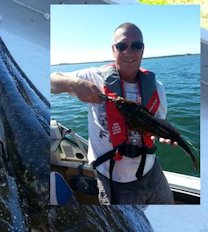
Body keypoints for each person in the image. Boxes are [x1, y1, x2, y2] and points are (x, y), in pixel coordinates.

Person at [50, 22, 174, 205]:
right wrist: (73, 84)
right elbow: (52, 81)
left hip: (153, 172)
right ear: (113, 49)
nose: (129, 52)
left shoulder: (157, 88)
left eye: (136, 45)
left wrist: (167, 134)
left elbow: (158, 124)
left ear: (143, 49)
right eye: (122, 46)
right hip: (114, 181)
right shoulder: (94, 77)